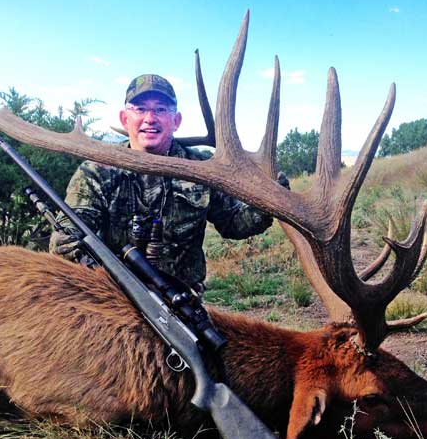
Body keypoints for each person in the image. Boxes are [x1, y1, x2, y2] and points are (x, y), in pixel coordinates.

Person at [50, 74, 283, 289]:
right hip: (115, 296)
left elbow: (233, 222)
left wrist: (268, 203)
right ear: (124, 118)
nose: (150, 119)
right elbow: (68, 236)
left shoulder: (203, 167)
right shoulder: (97, 170)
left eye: (161, 109)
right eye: (140, 109)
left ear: (176, 120)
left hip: (182, 301)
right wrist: (72, 246)